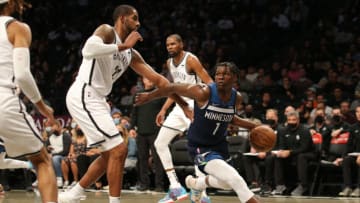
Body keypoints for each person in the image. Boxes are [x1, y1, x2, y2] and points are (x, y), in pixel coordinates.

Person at [59, 5, 191, 203]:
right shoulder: (107, 32)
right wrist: (123, 46)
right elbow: (87, 50)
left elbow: (161, 82)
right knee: (119, 149)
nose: (138, 23)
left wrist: (183, 105)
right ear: (122, 18)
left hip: (98, 99)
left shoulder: (131, 55)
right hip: (84, 93)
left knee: (109, 155)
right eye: (134, 18)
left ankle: (74, 193)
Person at [136, 62, 261, 203]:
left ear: (235, 78)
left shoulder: (236, 97)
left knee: (227, 184)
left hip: (220, 146)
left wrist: (253, 126)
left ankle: (197, 184)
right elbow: (171, 87)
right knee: (236, 180)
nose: (220, 77)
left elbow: (229, 117)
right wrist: (149, 96)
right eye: (218, 74)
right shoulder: (203, 91)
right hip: (200, 148)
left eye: (225, 74)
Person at [0, 0, 58, 202]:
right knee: (42, 159)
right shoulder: (16, 27)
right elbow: (23, 75)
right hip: (3, 99)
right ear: (11, 4)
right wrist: (42, 107)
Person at [154, 33, 213, 203]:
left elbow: (209, 82)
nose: (170, 47)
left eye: (173, 44)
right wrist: (164, 110)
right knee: (160, 143)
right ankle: (175, 187)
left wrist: (209, 106)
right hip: (180, 107)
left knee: (198, 147)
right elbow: (173, 89)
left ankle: (201, 191)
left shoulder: (191, 60)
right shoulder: (169, 63)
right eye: (168, 45)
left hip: (195, 106)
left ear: (181, 44)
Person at [130, 77, 165, 192]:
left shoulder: (159, 94)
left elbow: (165, 111)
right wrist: (131, 127)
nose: (149, 80)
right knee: (142, 159)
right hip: (141, 131)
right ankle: (144, 184)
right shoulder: (137, 95)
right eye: (146, 78)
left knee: (157, 159)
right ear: (143, 80)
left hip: (156, 131)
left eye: (151, 78)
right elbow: (134, 113)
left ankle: (159, 185)